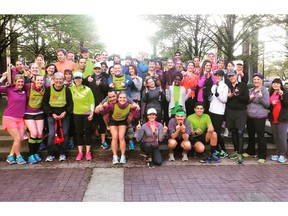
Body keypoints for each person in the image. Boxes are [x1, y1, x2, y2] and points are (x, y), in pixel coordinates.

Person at [100, 91, 140, 165]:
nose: (122, 99)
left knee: (121, 137)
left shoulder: (129, 105)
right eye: (120, 98)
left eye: (124, 98)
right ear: (118, 98)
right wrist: (103, 107)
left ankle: (122, 156)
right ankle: (115, 156)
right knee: (115, 137)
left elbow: (136, 115)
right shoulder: (113, 105)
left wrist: (137, 108)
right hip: (113, 121)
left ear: (126, 98)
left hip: (122, 121)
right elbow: (103, 113)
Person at [42, 72, 73, 162]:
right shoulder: (49, 90)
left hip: (64, 115)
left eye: (60, 79)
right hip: (52, 115)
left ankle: (63, 153)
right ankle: (50, 153)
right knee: (51, 134)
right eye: (57, 79)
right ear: (53, 80)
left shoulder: (67, 90)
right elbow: (45, 103)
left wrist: (65, 112)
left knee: (65, 133)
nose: (58, 81)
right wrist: (51, 113)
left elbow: (70, 103)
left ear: (63, 80)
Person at [0, 73, 27, 164]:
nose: (20, 83)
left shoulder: (24, 91)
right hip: (9, 117)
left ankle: (11, 155)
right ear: (15, 82)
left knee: (20, 138)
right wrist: (3, 78)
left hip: (20, 118)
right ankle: (19, 156)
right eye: (18, 82)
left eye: (22, 82)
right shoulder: (9, 89)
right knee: (18, 138)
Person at [243, 73, 270, 163]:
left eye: (258, 79)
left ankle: (262, 155)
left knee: (260, 135)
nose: (256, 81)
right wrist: (250, 98)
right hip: (250, 115)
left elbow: (267, 105)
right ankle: (250, 151)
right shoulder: (251, 90)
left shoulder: (264, 91)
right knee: (251, 134)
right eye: (254, 79)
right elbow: (246, 101)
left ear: (261, 80)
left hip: (260, 116)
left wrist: (261, 98)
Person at [83, 62, 110, 149]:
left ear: (101, 70)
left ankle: (103, 141)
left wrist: (100, 84)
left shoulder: (104, 78)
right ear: (94, 70)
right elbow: (82, 84)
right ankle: (89, 143)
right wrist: (87, 81)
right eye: (96, 69)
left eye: (99, 69)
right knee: (89, 123)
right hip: (90, 104)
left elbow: (106, 88)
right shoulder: (89, 77)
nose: (97, 70)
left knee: (101, 122)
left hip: (100, 103)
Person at [225, 70, 249, 164]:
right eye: (229, 76)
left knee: (240, 131)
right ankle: (235, 151)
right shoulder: (228, 86)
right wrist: (229, 96)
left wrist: (237, 95)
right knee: (233, 131)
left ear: (236, 75)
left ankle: (240, 153)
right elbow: (225, 101)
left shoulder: (243, 85)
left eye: (233, 76)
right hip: (230, 111)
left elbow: (246, 99)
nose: (231, 78)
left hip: (241, 111)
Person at [70, 72, 95, 161]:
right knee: (79, 133)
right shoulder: (71, 89)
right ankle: (80, 152)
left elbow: (92, 101)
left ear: (82, 79)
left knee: (88, 132)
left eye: (79, 78)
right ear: (74, 80)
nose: (78, 80)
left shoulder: (87, 89)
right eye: (76, 78)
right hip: (76, 113)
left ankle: (88, 152)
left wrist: (92, 113)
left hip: (87, 113)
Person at [24, 74, 46, 164]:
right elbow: (18, 84)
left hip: (39, 113)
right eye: (38, 80)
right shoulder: (28, 86)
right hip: (28, 113)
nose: (40, 82)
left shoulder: (45, 88)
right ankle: (30, 155)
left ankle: (35, 153)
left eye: (41, 80)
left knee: (40, 134)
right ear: (34, 80)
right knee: (34, 133)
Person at [208, 70, 229, 158]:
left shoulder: (224, 86)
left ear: (222, 77)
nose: (217, 77)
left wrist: (217, 95)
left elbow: (224, 100)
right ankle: (216, 149)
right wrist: (210, 96)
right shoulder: (213, 86)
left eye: (219, 76)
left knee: (217, 131)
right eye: (216, 75)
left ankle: (223, 150)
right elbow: (211, 99)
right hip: (211, 110)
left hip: (219, 112)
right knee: (212, 131)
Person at [269, 78, 288, 163]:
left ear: (281, 85)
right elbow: (268, 107)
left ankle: (283, 155)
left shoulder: (285, 93)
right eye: (274, 83)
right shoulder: (270, 94)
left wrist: (282, 96)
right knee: (276, 138)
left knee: (282, 138)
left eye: (277, 83)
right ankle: (277, 153)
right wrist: (271, 105)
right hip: (273, 119)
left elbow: (286, 104)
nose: (275, 85)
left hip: (282, 119)